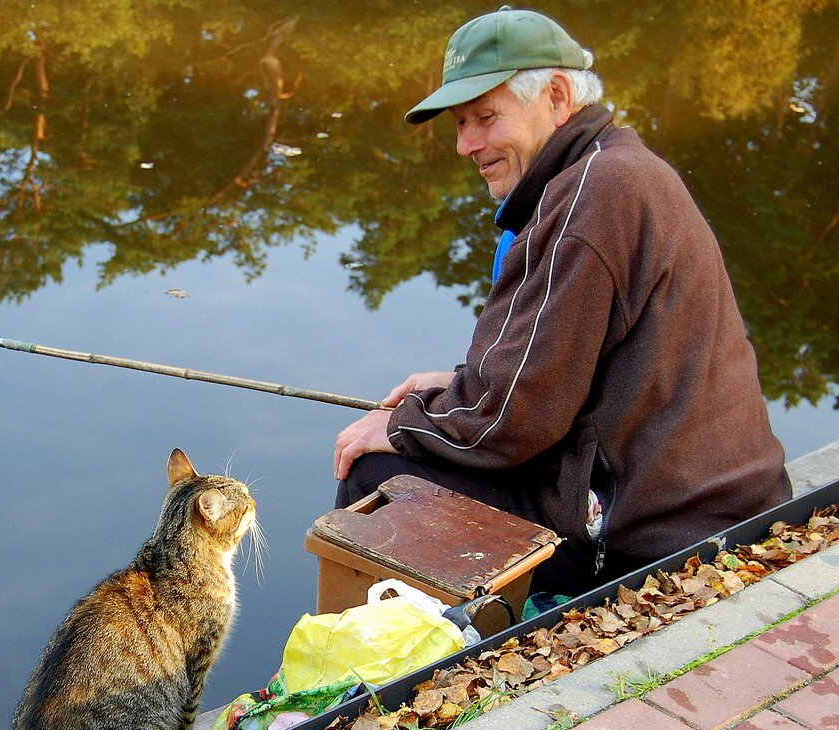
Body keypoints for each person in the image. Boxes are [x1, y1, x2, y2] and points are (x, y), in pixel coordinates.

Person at [333, 6, 790, 598]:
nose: (465, 144)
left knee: (376, 478)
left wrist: (402, 427)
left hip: (664, 540)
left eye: (485, 118)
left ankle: (391, 672)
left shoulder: (588, 202)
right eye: (460, 123)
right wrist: (453, 386)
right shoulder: (616, 170)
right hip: (726, 508)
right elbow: (556, 374)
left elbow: (510, 419)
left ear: (554, 95)